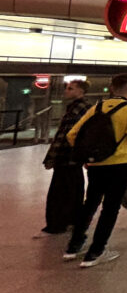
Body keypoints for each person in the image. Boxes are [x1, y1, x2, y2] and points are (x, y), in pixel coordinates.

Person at [63, 73, 127, 268]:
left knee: (90, 203)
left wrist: (90, 155)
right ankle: (96, 251)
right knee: (110, 207)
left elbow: (73, 134)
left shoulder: (96, 107)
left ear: (111, 88)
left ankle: (73, 247)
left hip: (95, 165)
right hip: (119, 164)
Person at [34, 79, 90, 238]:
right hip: (76, 157)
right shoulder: (85, 108)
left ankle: (56, 225)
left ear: (80, 91)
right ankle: (73, 221)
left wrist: (52, 156)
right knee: (74, 190)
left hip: (66, 156)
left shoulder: (77, 108)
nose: (66, 91)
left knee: (59, 193)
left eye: (71, 88)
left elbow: (64, 135)